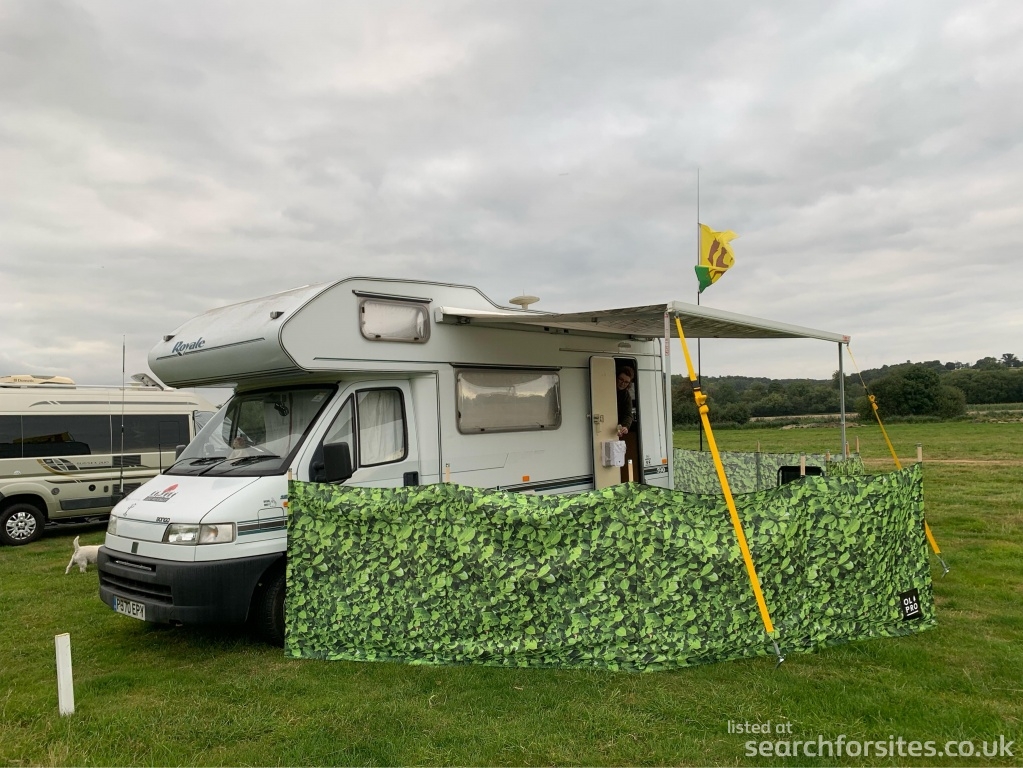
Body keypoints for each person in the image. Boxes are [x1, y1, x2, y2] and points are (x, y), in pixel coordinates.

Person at [615, 364, 635, 438]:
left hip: (615, 426)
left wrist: (625, 426)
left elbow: (628, 414)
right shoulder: (607, 388)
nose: (623, 383)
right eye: (621, 379)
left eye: (626, 382)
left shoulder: (626, 395)